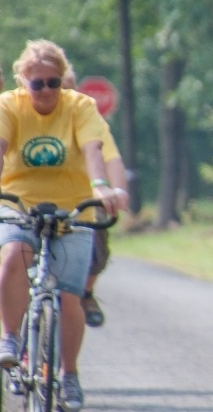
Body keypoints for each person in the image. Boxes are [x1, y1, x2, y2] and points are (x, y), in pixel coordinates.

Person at [0, 39, 120, 411]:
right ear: (24, 81)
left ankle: (69, 374)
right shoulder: (9, 105)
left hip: (74, 208)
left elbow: (93, 150)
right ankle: (10, 338)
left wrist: (101, 188)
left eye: (54, 82)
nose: (47, 90)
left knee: (70, 295)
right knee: (13, 255)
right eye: (38, 84)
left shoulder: (80, 105)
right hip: (19, 203)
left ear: (63, 80)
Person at [62, 69, 130, 328]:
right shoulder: (20, 112)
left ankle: (87, 292)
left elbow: (111, 158)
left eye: (67, 87)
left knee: (98, 246)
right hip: (35, 199)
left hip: (83, 197)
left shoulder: (90, 120)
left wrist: (118, 191)